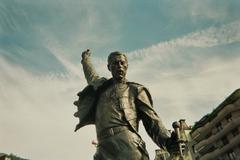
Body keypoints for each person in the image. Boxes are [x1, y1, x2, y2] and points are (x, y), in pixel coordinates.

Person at [74, 49, 179, 160]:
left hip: (126, 142)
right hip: (103, 146)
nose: (119, 66)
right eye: (115, 63)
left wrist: (167, 141)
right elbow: (91, 75)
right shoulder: (101, 88)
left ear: (127, 66)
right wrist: (86, 60)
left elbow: (152, 121)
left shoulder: (135, 90)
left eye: (122, 63)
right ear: (109, 67)